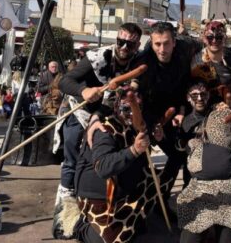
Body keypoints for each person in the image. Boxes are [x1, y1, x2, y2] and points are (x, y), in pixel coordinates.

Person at [53, 23, 142, 238]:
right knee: (71, 162)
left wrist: (99, 116)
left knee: (99, 163)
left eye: (130, 44)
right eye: (121, 42)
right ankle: (61, 217)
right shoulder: (98, 56)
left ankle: (94, 210)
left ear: (137, 45)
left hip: (105, 115)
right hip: (79, 112)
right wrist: (83, 90)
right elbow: (65, 81)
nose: (124, 47)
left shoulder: (137, 63)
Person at [56, 95, 171, 243]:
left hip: (124, 188)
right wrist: (134, 150)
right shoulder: (104, 129)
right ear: (116, 107)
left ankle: (133, 220)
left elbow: (154, 154)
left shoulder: (139, 123)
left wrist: (157, 138)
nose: (133, 113)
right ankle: (80, 226)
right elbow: (103, 168)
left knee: (160, 177)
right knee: (113, 240)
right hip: (98, 196)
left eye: (137, 107)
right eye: (126, 109)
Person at [133, 21, 202, 218]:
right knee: (139, 160)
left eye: (166, 43)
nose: (162, 49)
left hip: (171, 113)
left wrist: (181, 110)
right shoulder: (143, 61)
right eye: (157, 44)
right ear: (151, 42)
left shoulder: (185, 48)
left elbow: (201, 44)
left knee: (178, 156)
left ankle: (161, 200)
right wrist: (151, 125)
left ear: (174, 42)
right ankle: (138, 206)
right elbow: (137, 97)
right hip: (146, 115)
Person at [177, 81, 231, 243]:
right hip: (199, 189)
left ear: (209, 95)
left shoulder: (221, 113)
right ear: (188, 98)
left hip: (229, 189)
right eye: (195, 95)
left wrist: (229, 108)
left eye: (203, 94)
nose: (200, 98)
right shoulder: (185, 123)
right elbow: (178, 149)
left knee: (227, 238)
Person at [191, 20, 231, 110]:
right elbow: (194, 93)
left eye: (219, 37)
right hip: (206, 110)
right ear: (204, 39)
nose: (214, 41)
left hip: (230, 109)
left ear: (225, 38)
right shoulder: (196, 63)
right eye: (210, 37)